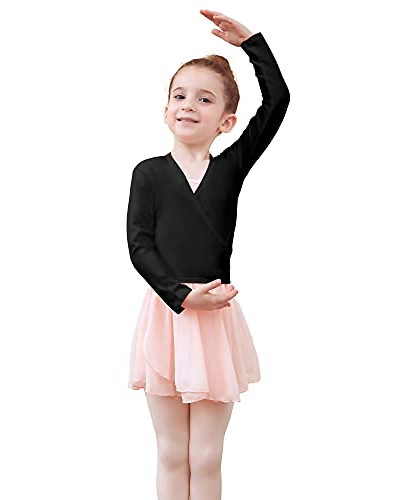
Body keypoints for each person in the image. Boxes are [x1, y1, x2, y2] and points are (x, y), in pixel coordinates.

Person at [126, 9, 290, 500]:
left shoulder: (230, 168)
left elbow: (278, 100)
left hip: (215, 318)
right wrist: (179, 295)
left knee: (206, 455)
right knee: (171, 452)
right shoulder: (148, 173)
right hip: (168, 314)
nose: (188, 105)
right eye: (179, 96)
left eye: (204, 98)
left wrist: (252, 44)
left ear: (227, 121)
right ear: (165, 110)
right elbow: (139, 245)